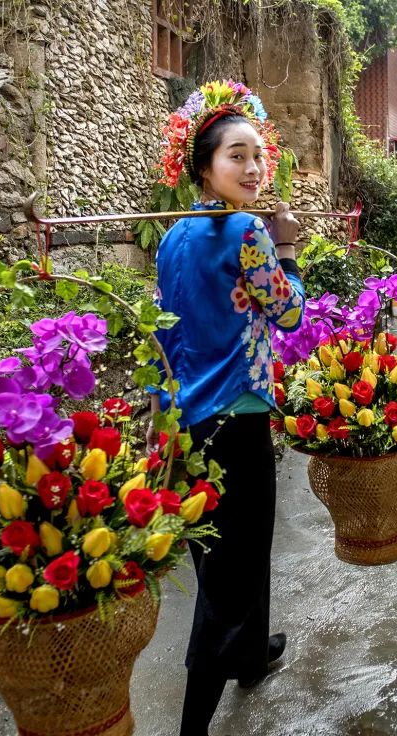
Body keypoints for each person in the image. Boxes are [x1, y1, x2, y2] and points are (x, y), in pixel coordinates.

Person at [147, 81, 306, 736]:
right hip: (237, 417)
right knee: (228, 578)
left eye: (255, 155)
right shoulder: (246, 230)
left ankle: (248, 656)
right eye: (235, 156)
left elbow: (169, 329)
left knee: (223, 554)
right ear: (205, 167)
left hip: (187, 421)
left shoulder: (172, 240)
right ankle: (192, 727)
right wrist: (289, 248)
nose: (251, 167)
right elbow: (288, 313)